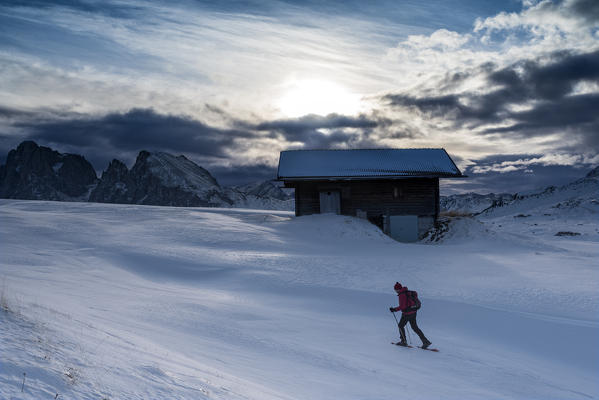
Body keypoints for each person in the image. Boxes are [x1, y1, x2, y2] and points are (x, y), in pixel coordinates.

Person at [389, 282, 432, 349]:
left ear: (397, 289)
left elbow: (402, 306)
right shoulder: (407, 292)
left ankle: (403, 341)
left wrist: (394, 309)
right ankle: (425, 341)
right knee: (415, 327)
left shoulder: (402, 295)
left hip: (407, 314)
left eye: (395, 290)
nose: (395, 291)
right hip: (414, 312)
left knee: (400, 326)